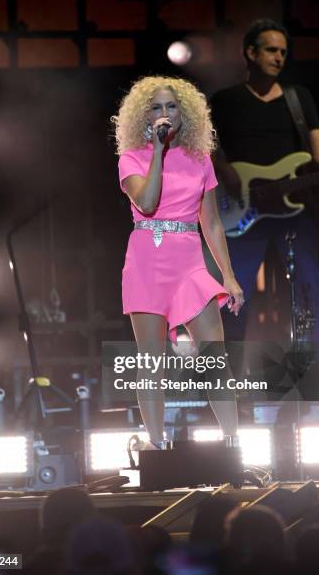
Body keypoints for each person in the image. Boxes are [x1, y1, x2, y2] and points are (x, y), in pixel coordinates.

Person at [210, 19, 319, 382]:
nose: (279, 58)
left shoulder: (297, 98)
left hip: (291, 212)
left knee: (310, 289)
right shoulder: (225, 100)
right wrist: (227, 175)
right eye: (271, 50)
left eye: (283, 52)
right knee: (232, 296)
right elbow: (205, 149)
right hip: (241, 213)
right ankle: (224, 382)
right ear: (250, 53)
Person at [112, 76, 244, 448]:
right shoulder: (131, 158)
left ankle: (232, 443)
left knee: (215, 359)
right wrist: (156, 151)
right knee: (151, 364)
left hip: (189, 261)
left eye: (172, 107)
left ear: (185, 114)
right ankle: (156, 447)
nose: (164, 113)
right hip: (147, 259)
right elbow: (148, 203)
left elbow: (213, 223)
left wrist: (229, 278)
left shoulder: (201, 160)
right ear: (144, 115)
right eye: (156, 107)